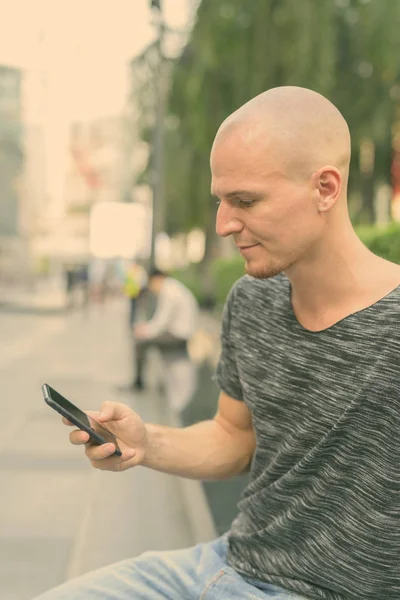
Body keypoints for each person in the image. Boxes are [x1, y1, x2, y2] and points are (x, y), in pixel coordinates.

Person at [34, 86, 400, 600]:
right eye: (221, 201)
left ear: (325, 188)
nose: (224, 225)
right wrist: (146, 443)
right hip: (225, 561)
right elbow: (234, 436)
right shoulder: (252, 300)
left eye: (246, 201)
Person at [131, 268, 199, 390]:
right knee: (144, 339)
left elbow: (162, 322)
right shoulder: (173, 288)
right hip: (179, 332)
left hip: (178, 335)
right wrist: (147, 329)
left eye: (151, 284)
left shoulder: (169, 292)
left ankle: (138, 383)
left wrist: (145, 331)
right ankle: (142, 381)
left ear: (157, 279)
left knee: (140, 343)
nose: (152, 288)